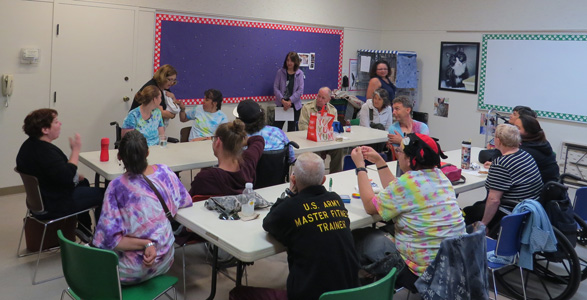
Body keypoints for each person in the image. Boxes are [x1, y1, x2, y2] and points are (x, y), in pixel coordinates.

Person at [350, 133, 465, 288]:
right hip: (452, 265)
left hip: (423, 272)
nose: (397, 154)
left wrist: (360, 167)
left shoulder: (407, 184)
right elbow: (396, 189)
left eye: (400, 151)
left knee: (358, 236)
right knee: (387, 229)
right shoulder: (440, 177)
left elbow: (370, 207)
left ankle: (365, 283)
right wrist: (379, 161)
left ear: (412, 159)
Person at [92, 131, 192, 284]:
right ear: (148, 153)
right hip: (166, 258)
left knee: (91, 259)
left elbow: (109, 241)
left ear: (119, 157)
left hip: (133, 270)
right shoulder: (165, 172)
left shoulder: (116, 187)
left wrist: (146, 243)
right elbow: (184, 201)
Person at [260, 152, 360, 300]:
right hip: (351, 293)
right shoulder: (336, 199)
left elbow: (268, 223)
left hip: (311, 296)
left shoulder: (290, 207)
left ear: (293, 179)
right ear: (324, 179)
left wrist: (289, 193)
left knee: (238, 293)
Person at [16, 108, 103, 242]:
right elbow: (67, 177)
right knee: (106, 194)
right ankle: (101, 240)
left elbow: (53, 173)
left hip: (38, 203)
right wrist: (75, 151)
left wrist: (74, 176)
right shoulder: (46, 152)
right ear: (45, 130)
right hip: (53, 205)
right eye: (56, 122)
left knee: (84, 182)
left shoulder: (28, 146)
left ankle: (84, 228)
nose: (60, 124)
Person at [463, 124, 543, 228]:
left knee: (466, 213)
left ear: (499, 140)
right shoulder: (526, 155)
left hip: (510, 212)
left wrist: (484, 224)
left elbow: (494, 200)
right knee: (477, 205)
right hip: (530, 209)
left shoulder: (501, 163)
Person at [189, 120, 264, 196]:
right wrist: (239, 141)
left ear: (218, 142)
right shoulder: (248, 162)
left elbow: (187, 201)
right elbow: (258, 140)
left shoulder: (204, 178)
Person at [298, 87, 343, 173]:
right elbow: (302, 126)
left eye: (323, 98)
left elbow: (334, 128)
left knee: (338, 149)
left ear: (328, 100)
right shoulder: (307, 108)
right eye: (318, 96)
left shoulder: (333, 110)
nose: (319, 99)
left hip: (327, 140)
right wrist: (317, 132)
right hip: (311, 141)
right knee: (316, 151)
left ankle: (335, 174)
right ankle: (316, 176)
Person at [235, 99, 295, 163]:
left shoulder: (239, 140)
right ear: (262, 116)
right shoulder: (278, 132)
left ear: (240, 121)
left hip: (250, 172)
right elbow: (291, 158)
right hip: (278, 172)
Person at [513, 114, 560, 183]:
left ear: (528, 132)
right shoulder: (541, 142)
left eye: (517, 128)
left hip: (540, 189)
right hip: (551, 186)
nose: (513, 130)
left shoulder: (526, 150)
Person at [273, 51, 305, 132]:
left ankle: (290, 144)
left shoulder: (300, 73)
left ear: (296, 61)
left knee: (292, 130)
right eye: (287, 60)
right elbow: (275, 88)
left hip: (294, 106)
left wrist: (290, 100)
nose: (289, 63)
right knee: (277, 129)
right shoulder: (280, 72)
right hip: (281, 104)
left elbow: (300, 90)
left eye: (291, 61)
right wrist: (283, 100)